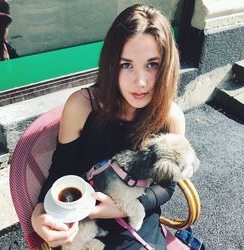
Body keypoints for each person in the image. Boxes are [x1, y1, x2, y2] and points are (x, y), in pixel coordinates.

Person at [31, 4, 185, 249]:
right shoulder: (83, 106)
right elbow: (61, 171)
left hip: (136, 220)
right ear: (112, 64)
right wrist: (39, 212)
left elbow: (167, 185)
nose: (141, 81)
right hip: (84, 222)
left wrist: (129, 207)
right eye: (127, 65)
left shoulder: (170, 117)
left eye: (152, 64)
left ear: (167, 66)